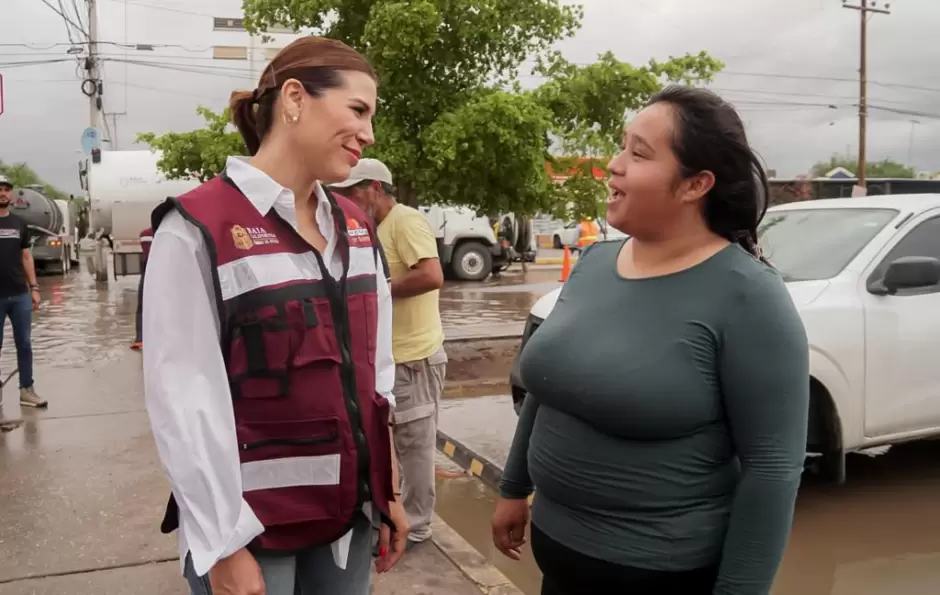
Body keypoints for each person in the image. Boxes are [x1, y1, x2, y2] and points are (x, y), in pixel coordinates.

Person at [492, 86, 809, 595]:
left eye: (638, 153)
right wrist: (514, 488)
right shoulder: (594, 265)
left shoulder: (748, 297)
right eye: (622, 147)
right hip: (558, 557)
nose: (614, 165)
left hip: (661, 573)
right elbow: (548, 387)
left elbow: (772, 470)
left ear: (694, 185)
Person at [142, 37, 409, 595]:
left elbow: (375, 372)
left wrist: (386, 490)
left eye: (371, 116)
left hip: (348, 520)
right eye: (357, 110)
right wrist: (223, 542)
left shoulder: (357, 228)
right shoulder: (198, 227)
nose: (369, 133)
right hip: (251, 531)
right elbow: (184, 397)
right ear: (294, 99)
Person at [330, 159, 446, 549]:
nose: (346, 199)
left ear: (376, 188)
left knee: (415, 449)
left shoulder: (406, 221)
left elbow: (432, 275)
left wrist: (378, 287)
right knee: (387, 445)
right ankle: (395, 520)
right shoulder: (371, 229)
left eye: (352, 191)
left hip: (414, 359)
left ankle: (417, 530)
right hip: (387, 359)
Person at [0, 175, 47, 412]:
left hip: (19, 295)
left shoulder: (20, 224)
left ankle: (26, 390)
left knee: (25, 344)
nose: (3, 193)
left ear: (11, 194)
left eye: (6, 189)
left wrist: (35, 288)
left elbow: (26, 257)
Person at [130, 226, 152, 350]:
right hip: (161, 272)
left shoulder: (144, 234)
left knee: (142, 307)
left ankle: (140, 338)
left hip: (147, 272)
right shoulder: (162, 234)